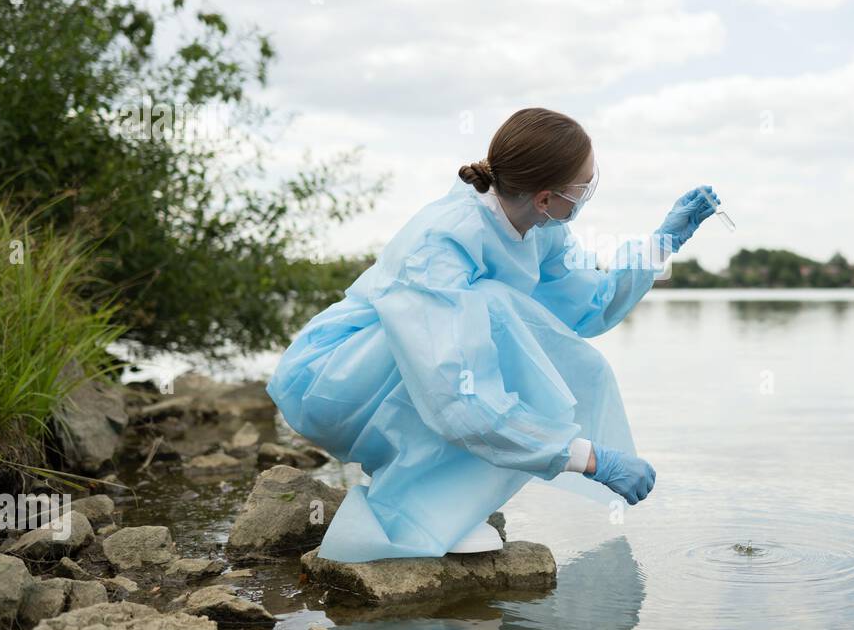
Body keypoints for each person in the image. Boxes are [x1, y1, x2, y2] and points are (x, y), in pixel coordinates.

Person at [267, 107, 721, 561]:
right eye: (584, 185)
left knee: (540, 341)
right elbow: (453, 390)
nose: (587, 195)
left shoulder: (539, 229)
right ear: (545, 197)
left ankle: (436, 491)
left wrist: (663, 242)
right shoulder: (441, 244)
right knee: (491, 312)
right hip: (335, 382)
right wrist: (585, 457)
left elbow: (590, 308)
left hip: (402, 372)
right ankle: (412, 509)